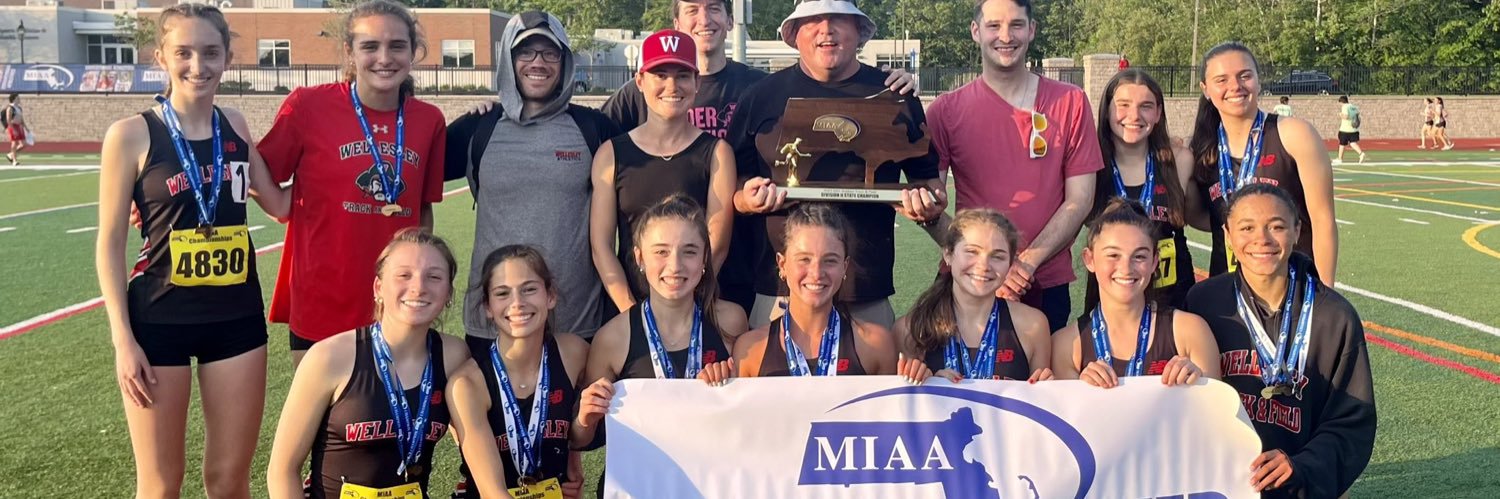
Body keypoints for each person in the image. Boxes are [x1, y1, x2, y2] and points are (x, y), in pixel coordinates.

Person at [598, 0, 916, 316]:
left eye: (714, 9)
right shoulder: (626, 113)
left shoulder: (756, 88)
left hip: (739, 277)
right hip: (671, 286)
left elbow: (724, 217)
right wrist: (631, 311)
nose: (671, 85)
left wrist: (886, 83)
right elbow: (598, 149)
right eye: (692, 10)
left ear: (728, 20)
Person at [94, 5, 289, 497]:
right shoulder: (131, 135)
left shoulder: (237, 127)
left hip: (236, 320)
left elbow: (282, 205)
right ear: (161, 56)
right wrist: (122, 340)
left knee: (229, 480)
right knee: (161, 484)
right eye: (183, 53)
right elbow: (110, 242)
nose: (197, 66)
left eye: (210, 53)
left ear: (227, 59)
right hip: (158, 321)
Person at [728, 0, 944, 329]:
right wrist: (745, 198)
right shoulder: (760, 97)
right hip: (779, 292)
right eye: (813, 19)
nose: (826, 28)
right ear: (795, 33)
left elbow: (928, 181)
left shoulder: (894, 93)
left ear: (859, 31)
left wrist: (928, 205)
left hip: (865, 292)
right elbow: (731, 181)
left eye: (838, 19)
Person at [258, 0, 449, 367]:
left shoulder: (429, 121)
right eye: (369, 46)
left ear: (413, 52)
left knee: (389, 421)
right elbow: (256, 170)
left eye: (397, 46)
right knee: (322, 421)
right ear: (349, 51)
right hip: (322, 299)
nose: (384, 57)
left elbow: (422, 211)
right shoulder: (307, 106)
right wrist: (282, 206)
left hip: (397, 301)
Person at [267, 229, 508, 499]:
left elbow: (472, 438)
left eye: (434, 277)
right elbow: (282, 470)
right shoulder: (329, 357)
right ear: (378, 287)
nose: (419, 287)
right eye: (404, 275)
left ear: (448, 293)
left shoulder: (453, 355)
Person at [1183, 183, 1375, 497]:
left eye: (1277, 226)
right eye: (1246, 227)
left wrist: (1303, 466)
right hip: (1222, 484)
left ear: (1298, 230)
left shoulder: (1334, 316)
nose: (1262, 239)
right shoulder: (1203, 302)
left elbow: (1350, 420)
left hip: (1301, 486)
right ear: (1228, 235)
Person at [446, 11, 621, 346]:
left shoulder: (594, 129)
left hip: (576, 323)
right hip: (493, 321)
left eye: (549, 53)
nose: (537, 62)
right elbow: (407, 169)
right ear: (508, 60)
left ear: (565, 61)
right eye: (526, 52)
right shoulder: (476, 128)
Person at [926, 0, 1103, 331]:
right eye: (994, 26)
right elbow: (930, 209)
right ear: (976, 31)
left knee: (1043, 379)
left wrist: (1024, 264)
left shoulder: (1071, 102)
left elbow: (1080, 200)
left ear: (1032, 30)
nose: (1005, 36)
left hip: (1044, 280)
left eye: (1016, 25)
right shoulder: (944, 111)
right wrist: (984, 262)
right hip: (968, 280)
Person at [575, 197, 744, 490]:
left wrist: (729, 384)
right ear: (640, 258)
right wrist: (585, 416)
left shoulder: (731, 322)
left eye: (689, 251)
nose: (675, 265)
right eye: (661, 252)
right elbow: (582, 439)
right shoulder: (613, 338)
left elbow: (749, 416)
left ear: (704, 258)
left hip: (710, 484)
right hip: (638, 485)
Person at [590, 29, 735, 312]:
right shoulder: (612, 153)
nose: (672, 86)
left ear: (696, 82)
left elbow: (716, 245)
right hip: (627, 308)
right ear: (640, 81)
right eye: (660, 75)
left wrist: (686, 308)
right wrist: (632, 314)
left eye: (682, 75)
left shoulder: (717, 153)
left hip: (695, 308)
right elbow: (601, 247)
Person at [1189, 41, 1338, 286]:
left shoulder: (1294, 134)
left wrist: (1326, 295)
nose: (1235, 86)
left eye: (1244, 76)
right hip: (1229, 290)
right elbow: (1200, 217)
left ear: (1258, 80)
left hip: (1293, 287)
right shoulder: (1201, 148)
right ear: (1206, 89)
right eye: (1222, 80)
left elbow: (1323, 220)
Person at [451, 245, 591, 499]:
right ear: (488, 307)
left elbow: (574, 425)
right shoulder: (468, 383)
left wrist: (573, 460)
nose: (517, 303)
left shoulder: (574, 354)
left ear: (550, 296)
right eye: (502, 293)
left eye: (529, 289)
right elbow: (493, 493)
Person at [1051, 200, 1220, 388]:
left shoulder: (1191, 331)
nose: (1126, 268)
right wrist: (1079, 391)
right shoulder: (1065, 345)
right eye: (1113, 255)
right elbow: (1063, 416)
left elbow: (1214, 413)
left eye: (1139, 256)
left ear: (1155, 261)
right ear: (1089, 259)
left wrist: (1199, 385)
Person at [733, 203, 898, 377]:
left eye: (830, 260)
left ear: (845, 266)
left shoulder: (876, 346)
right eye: (804, 259)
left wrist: (919, 380)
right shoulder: (750, 351)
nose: (816, 273)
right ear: (782, 265)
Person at [892, 209, 1054, 384]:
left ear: (1010, 264)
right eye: (972, 252)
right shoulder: (910, 329)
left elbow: (1039, 405)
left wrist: (1045, 389)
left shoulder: (1033, 325)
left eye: (997, 256)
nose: (984, 265)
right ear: (948, 254)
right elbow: (900, 405)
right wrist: (931, 386)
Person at [1084, 68, 1198, 311]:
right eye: (1123, 105)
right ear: (1107, 111)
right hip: (1111, 300)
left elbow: (1201, 215)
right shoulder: (1090, 167)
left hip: (1174, 302)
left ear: (1158, 113)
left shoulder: (1179, 159)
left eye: (1146, 106)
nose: (1134, 115)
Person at [1334, 95, 1365, 165]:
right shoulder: (1354, 107)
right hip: (1354, 129)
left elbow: (1346, 116)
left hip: (1345, 129)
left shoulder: (1345, 107)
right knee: (1353, 143)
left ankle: (1340, 158)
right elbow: (1358, 117)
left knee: (1342, 144)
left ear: (1341, 102)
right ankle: (1361, 153)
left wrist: (1340, 114)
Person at [4, 93, 26, 165]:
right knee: (14, 142)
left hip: (19, 126)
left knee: (23, 144)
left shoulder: (19, 108)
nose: (19, 99)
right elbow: (8, 119)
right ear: (14, 99)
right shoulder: (10, 108)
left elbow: (21, 119)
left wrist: (26, 128)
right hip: (13, 125)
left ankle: (10, 154)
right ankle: (14, 160)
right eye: (17, 98)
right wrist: (13, 129)